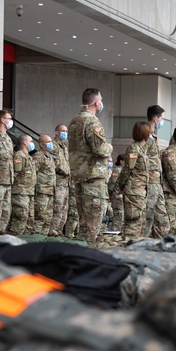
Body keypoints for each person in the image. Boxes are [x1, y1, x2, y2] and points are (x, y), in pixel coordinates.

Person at [67, 88, 113, 243]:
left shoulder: (75, 120)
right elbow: (100, 149)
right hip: (93, 176)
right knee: (93, 225)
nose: (101, 103)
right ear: (96, 102)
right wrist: (110, 147)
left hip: (79, 175)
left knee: (83, 223)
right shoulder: (92, 121)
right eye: (100, 100)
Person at [116, 121, 153, 239]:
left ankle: (135, 248)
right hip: (133, 191)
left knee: (140, 223)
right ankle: (128, 248)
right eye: (149, 132)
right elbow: (127, 169)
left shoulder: (142, 149)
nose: (151, 134)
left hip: (140, 191)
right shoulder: (134, 149)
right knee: (133, 223)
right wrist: (120, 186)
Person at [144, 105, 168, 238]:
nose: (162, 121)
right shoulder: (145, 133)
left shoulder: (153, 134)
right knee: (148, 219)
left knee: (161, 220)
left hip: (156, 182)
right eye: (162, 118)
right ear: (155, 118)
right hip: (149, 182)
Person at [8, 133, 37, 235]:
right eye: (31, 141)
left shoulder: (28, 156)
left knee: (29, 217)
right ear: (24, 142)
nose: (32, 144)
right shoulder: (20, 155)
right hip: (20, 192)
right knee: (21, 216)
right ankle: (15, 236)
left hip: (29, 191)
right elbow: (15, 173)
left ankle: (25, 238)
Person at [32, 134, 58, 234]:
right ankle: (36, 237)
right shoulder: (38, 156)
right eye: (48, 142)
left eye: (51, 141)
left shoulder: (50, 157)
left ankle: (44, 238)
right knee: (40, 216)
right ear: (41, 145)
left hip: (50, 191)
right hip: (41, 191)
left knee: (48, 217)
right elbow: (33, 172)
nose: (51, 144)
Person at [50, 123, 71, 236]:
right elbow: (56, 164)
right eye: (63, 131)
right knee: (57, 208)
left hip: (65, 183)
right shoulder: (53, 145)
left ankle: (59, 230)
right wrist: (68, 171)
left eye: (66, 131)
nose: (65, 133)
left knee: (64, 209)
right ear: (57, 132)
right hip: (58, 182)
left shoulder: (64, 147)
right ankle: (52, 231)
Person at [108, 154, 124, 232]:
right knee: (118, 214)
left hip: (121, 196)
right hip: (117, 196)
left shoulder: (124, 170)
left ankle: (118, 230)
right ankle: (115, 231)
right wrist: (110, 194)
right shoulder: (117, 170)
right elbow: (112, 183)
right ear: (121, 161)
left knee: (121, 215)